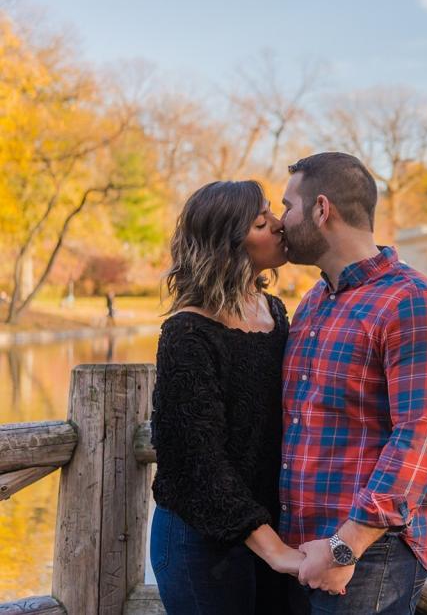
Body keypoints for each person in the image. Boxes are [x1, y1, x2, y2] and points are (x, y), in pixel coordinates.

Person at [277, 152, 427, 614]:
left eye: (287, 206)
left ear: (322, 210)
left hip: (367, 558)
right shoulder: (315, 299)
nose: (280, 222)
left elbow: (419, 438)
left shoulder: (413, 303)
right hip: (297, 551)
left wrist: (345, 547)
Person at [149, 180, 303, 614]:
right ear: (228, 244)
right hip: (202, 541)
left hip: (271, 527)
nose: (279, 225)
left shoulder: (273, 310)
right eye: (261, 221)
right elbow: (196, 462)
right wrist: (273, 549)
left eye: (272, 213)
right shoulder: (187, 333)